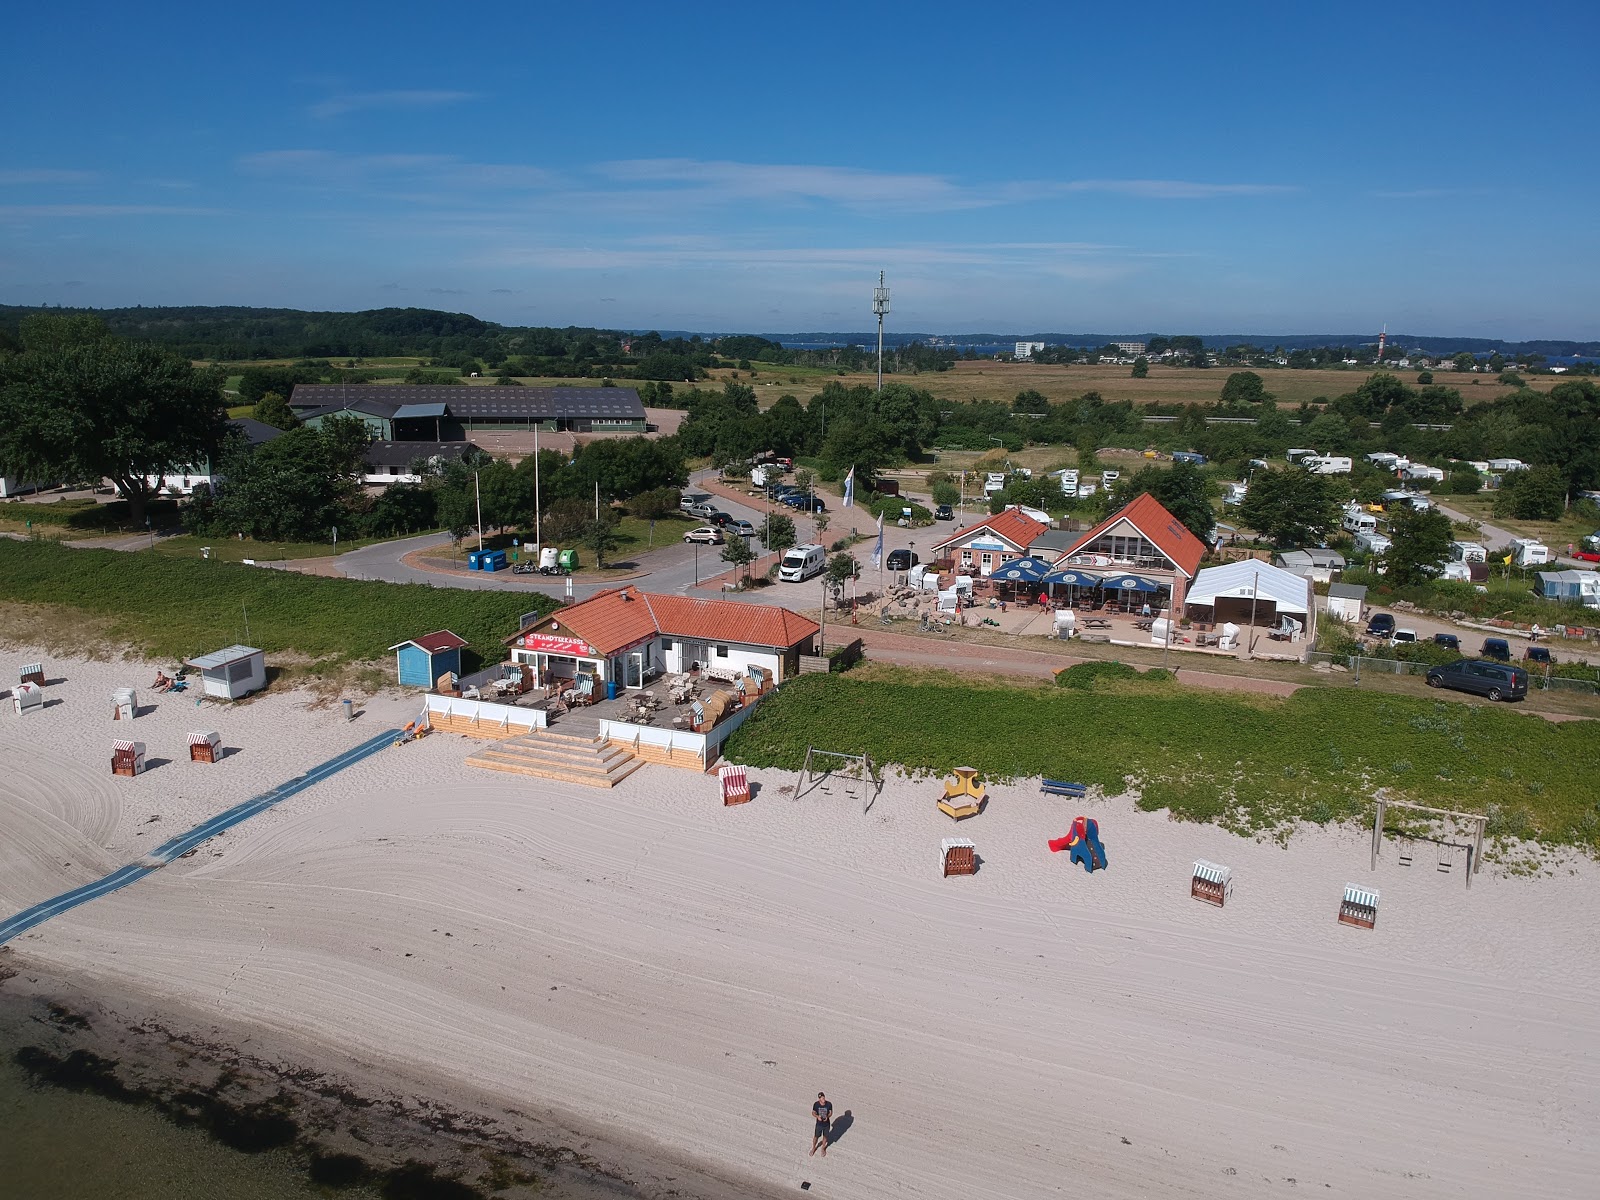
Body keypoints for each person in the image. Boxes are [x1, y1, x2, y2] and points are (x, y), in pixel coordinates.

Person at [810, 1092, 833, 1157]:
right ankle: (813, 1147)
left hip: (826, 1124)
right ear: (819, 1099)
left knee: (825, 1137)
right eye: (821, 1098)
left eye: (823, 1097)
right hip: (819, 1124)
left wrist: (827, 1117)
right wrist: (817, 1117)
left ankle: (823, 1148)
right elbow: (813, 1112)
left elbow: (830, 1113)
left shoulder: (829, 1104)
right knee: (816, 1136)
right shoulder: (816, 1104)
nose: (823, 1099)